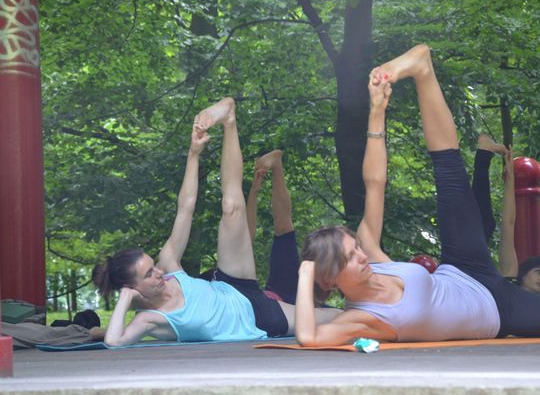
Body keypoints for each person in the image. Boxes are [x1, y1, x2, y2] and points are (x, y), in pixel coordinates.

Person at [295, 44, 540, 346]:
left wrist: (376, 112)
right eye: (350, 257)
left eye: (355, 247)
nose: (361, 255)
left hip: (462, 266)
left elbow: (375, 183)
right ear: (330, 278)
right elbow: (309, 337)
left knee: (450, 174)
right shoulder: (362, 318)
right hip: (499, 309)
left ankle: (422, 69)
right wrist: (306, 273)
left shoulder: (371, 253)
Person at [92, 98, 340, 347]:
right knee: (337, 318)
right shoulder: (151, 319)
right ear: (132, 287)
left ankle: (229, 119)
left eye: (152, 266)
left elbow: (185, 208)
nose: (159, 272)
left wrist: (194, 153)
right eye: (148, 274)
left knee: (231, 208)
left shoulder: (167, 263)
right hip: (260, 317)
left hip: (232, 283)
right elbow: (114, 342)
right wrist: (124, 299)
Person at [472, 134, 540, 294]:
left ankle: (483, 153)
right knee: (483, 228)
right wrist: (510, 181)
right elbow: (509, 223)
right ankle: (483, 154)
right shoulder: (509, 282)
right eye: (538, 272)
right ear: (522, 276)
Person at [246, 150, 299, 304]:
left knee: (284, 229)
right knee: (284, 229)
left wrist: (254, 191)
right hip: (280, 303)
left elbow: (246, 239)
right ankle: (277, 166)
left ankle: (277, 165)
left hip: (278, 296)